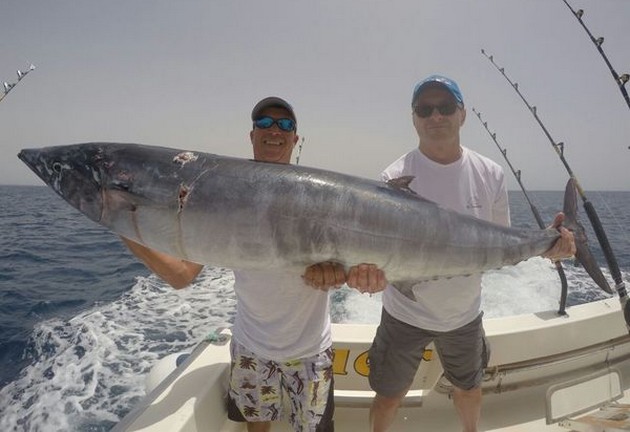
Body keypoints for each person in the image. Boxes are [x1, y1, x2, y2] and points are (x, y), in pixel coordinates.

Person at [121, 96, 384, 432]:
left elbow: (347, 266)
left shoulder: (321, 200)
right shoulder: (223, 198)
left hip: (311, 352)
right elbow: (180, 275)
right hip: (252, 348)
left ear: (295, 139)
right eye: (264, 123)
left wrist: (339, 275)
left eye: (284, 125)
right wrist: (121, 222)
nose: (274, 130)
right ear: (251, 135)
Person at [366, 75, 576, 432]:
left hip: (463, 315)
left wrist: (550, 247)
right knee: (388, 394)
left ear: (462, 115)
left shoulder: (490, 173)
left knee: (469, 389)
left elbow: (500, 245)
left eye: (446, 107)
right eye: (425, 108)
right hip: (404, 313)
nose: (436, 116)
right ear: (414, 118)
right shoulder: (393, 176)